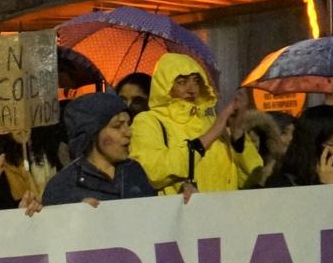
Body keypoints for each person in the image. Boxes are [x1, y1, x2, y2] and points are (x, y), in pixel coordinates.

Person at [129, 52, 260, 195]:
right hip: (178, 214)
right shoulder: (148, 121)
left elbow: (252, 178)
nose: (191, 89)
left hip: (224, 213)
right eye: (182, 82)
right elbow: (151, 172)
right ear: (164, 85)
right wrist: (209, 137)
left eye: (196, 81)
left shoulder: (212, 123)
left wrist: (238, 136)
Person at [43, 92, 159, 206]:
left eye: (128, 124)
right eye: (117, 126)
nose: (128, 132)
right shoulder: (62, 187)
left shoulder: (135, 171)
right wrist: (75, 214)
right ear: (92, 134)